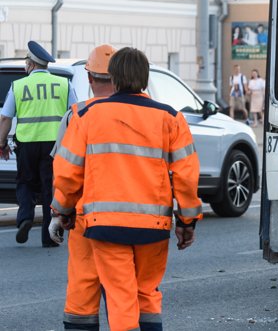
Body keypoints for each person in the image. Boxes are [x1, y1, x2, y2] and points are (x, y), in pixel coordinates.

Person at [52, 47, 202, 331]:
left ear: (115, 79)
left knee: (121, 297)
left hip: (106, 226)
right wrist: (187, 222)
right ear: (145, 80)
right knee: (147, 295)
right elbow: (186, 177)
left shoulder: (87, 116)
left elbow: (67, 172)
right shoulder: (170, 118)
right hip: (154, 226)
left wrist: (62, 211)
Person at [49, 44, 115, 331]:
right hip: (134, 222)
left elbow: (65, 173)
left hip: (85, 219)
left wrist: (58, 213)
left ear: (89, 79)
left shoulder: (76, 116)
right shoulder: (148, 114)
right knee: (123, 295)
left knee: (82, 294)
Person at [0, 41, 77, 246]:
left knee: (24, 181)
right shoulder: (63, 84)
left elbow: (5, 118)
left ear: (31, 64)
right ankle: (48, 238)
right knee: (48, 188)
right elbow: (75, 115)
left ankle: (25, 217)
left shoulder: (19, 85)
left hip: (27, 143)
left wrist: (2, 144)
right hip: (54, 146)